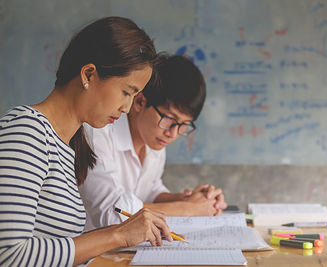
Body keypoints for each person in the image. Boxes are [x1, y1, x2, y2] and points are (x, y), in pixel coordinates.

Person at [0, 17, 173, 267]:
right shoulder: (26, 131)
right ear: (89, 74)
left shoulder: (69, 144)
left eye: (134, 96)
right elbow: (9, 254)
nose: (126, 108)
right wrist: (118, 234)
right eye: (126, 92)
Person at [79, 54, 227, 231]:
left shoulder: (155, 141)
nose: (172, 133)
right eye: (169, 119)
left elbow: (149, 191)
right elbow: (113, 214)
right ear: (140, 101)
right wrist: (187, 209)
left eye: (184, 125)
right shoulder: (97, 133)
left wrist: (191, 200)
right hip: (88, 255)